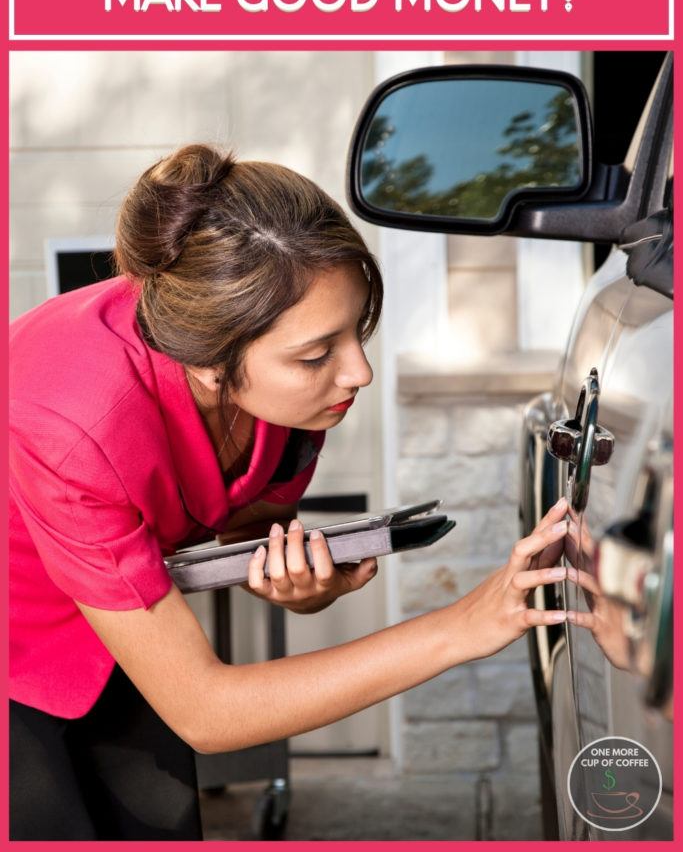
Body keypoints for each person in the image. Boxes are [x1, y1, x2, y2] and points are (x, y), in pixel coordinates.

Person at [9, 144, 584, 840]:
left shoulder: (294, 399)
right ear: (209, 363)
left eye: (356, 331)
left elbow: (250, 529)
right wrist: (462, 625)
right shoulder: (70, 423)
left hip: (124, 630)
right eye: (317, 355)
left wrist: (298, 586)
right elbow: (206, 711)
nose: (358, 373)